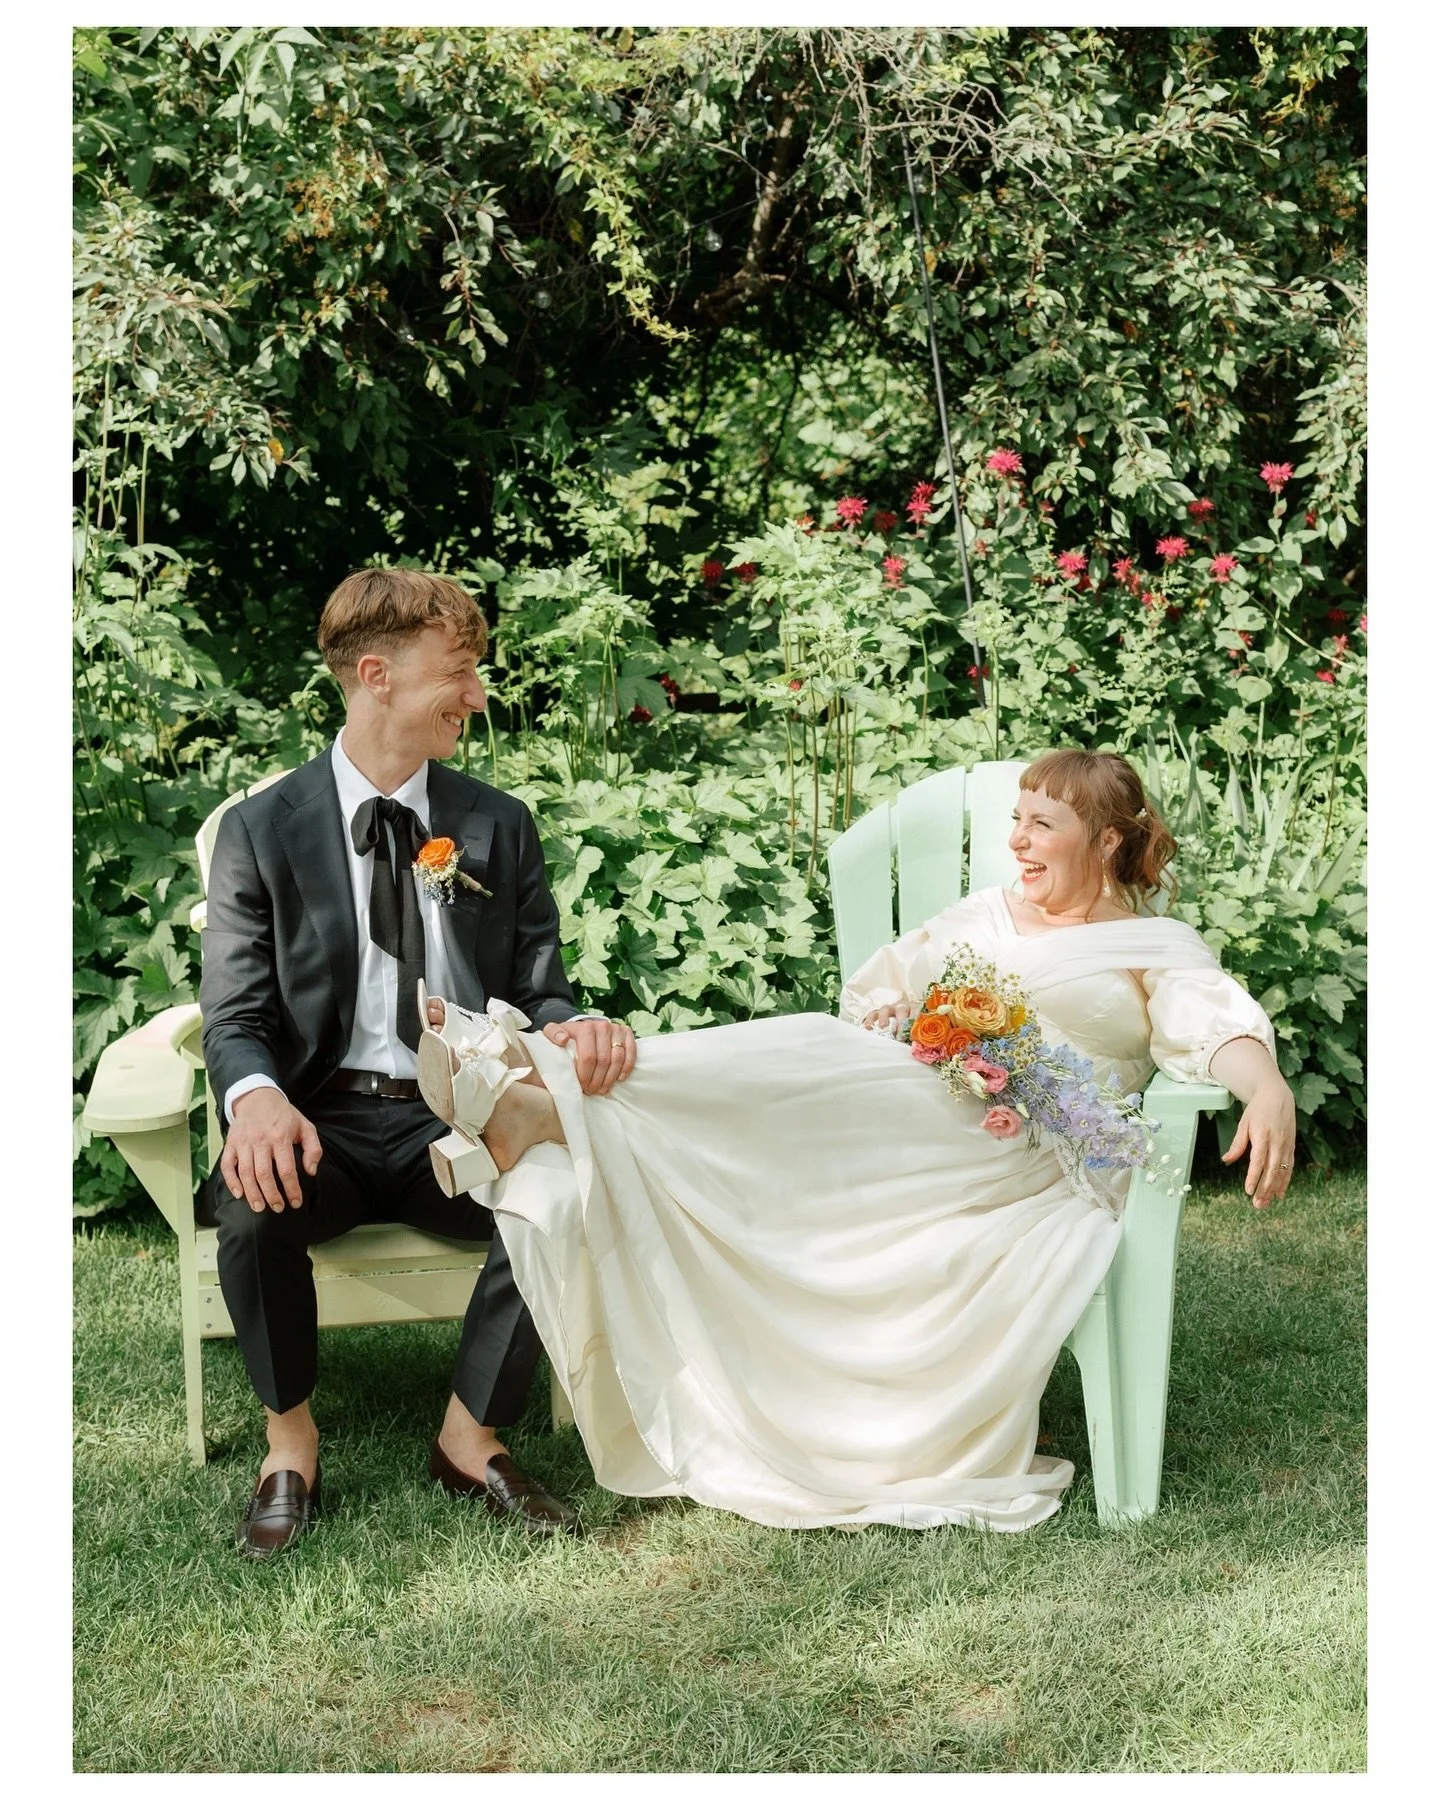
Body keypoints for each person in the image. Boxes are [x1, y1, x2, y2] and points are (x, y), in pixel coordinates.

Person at [420, 749, 1297, 1532]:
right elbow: (875, 995)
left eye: (1043, 825)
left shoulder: (1150, 944)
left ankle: (542, 1092)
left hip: (1032, 1162)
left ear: (1105, 841)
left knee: (807, 1056)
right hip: (920, 1117)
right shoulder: (986, 915)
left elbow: (1212, 1024)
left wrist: (1265, 1088)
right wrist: (942, 1036)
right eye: (1015, 821)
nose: (1019, 843)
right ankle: (552, 1101)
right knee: (816, 1043)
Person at [199, 567, 636, 1557]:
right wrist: (258, 1100)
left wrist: (573, 1027)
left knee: (562, 1191)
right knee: (249, 1199)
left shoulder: (497, 822)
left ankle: (468, 1436)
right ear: (376, 674)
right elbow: (235, 1014)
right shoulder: (259, 832)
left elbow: (540, 986)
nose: (477, 696)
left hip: (466, 1116)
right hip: (326, 1121)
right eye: (460, 671)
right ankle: (289, 1446)